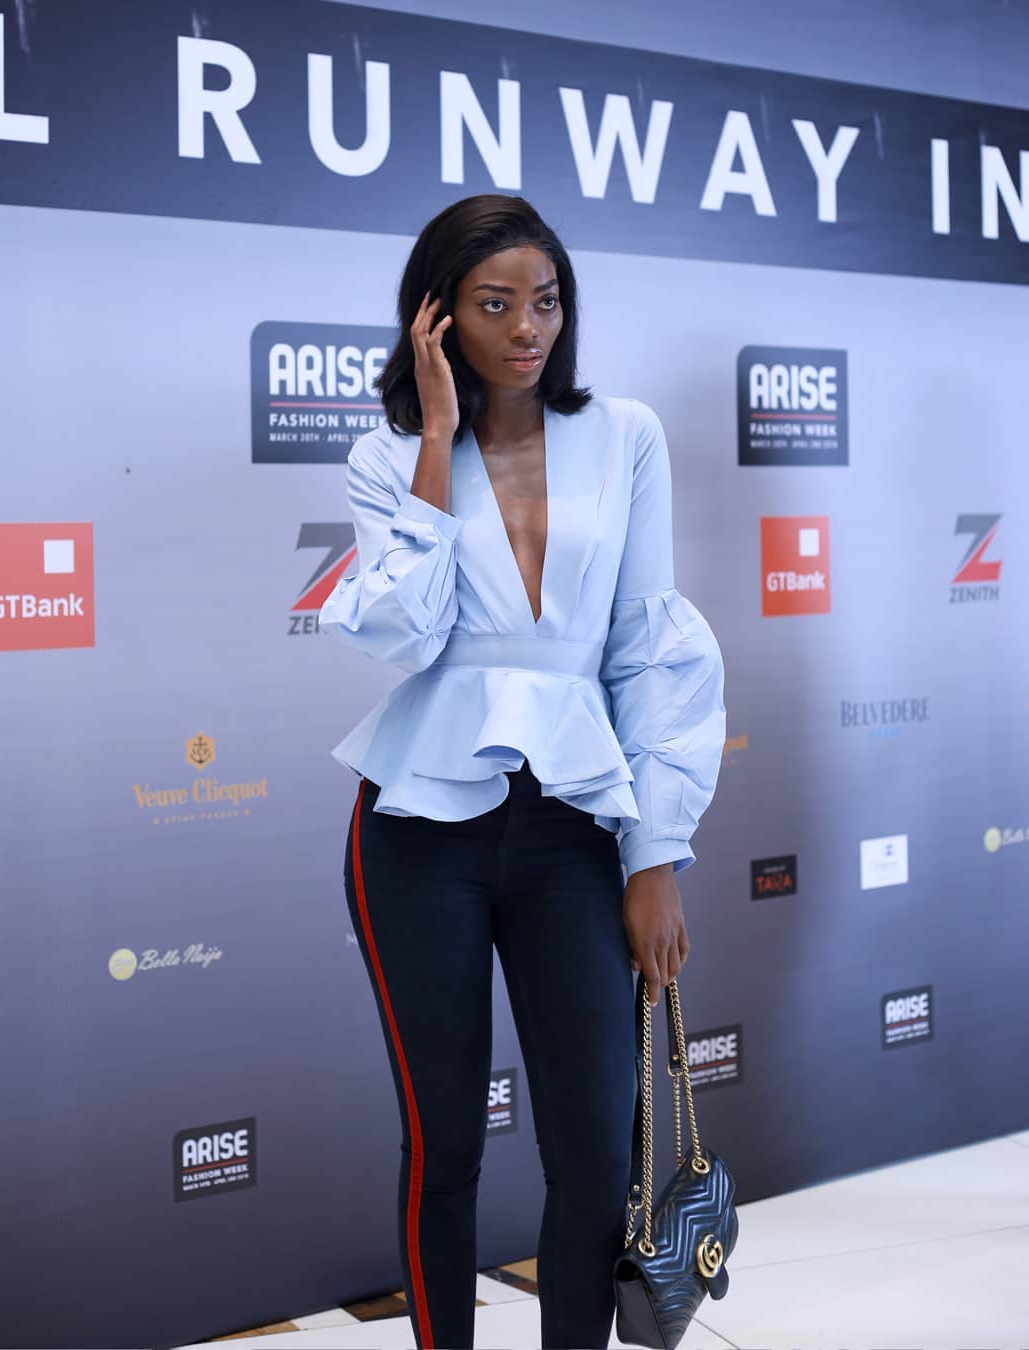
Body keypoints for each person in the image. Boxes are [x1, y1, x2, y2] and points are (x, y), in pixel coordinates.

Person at [318, 194, 726, 1350]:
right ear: (436, 319)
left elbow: (647, 648)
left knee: (595, 1146)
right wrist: (436, 443)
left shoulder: (624, 435)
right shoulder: (386, 456)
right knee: (444, 1144)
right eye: (495, 305)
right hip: (419, 830)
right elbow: (405, 635)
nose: (527, 328)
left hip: (575, 826)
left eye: (544, 302)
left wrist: (654, 854)